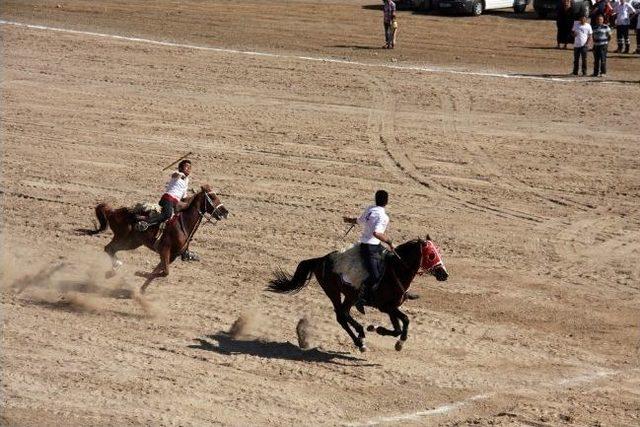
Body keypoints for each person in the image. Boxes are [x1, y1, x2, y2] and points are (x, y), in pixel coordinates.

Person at [135, 159, 200, 261]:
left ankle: (185, 252)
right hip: (168, 199)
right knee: (167, 214)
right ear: (180, 168)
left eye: (190, 168)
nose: (188, 169)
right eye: (186, 167)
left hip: (176, 202)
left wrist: (195, 197)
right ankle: (145, 223)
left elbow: (184, 197)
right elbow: (174, 175)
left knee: (183, 224)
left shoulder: (187, 181)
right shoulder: (177, 175)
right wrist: (180, 174)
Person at [343, 190, 394, 314]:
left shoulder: (370, 209)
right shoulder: (383, 216)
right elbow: (376, 233)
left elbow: (360, 221)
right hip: (370, 248)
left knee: (391, 262)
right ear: (386, 202)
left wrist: (350, 220)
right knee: (375, 276)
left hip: (369, 245)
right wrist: (389, 241)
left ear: (375, 199)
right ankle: (360, 299)